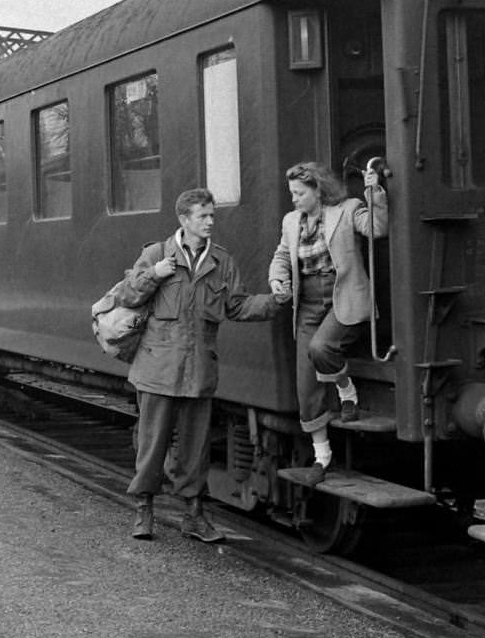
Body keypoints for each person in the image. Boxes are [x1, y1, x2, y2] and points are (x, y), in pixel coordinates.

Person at [112, 188, 284, 543]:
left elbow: (237, 306)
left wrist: (276, 302)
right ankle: (144, 512)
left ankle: (194, 516)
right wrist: (154, 274)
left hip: (198, 372)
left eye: (211, 216)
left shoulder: (222, 262)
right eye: (203, 216)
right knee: (152, 445)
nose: (210, 222)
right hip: (157, 370)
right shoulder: (156, 254)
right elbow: (127, 296)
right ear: (184, 219)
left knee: (195, 449)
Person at [268, 161, 388, 484]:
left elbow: (378, 228)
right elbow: (281, 256)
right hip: (306, 302)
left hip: (342, 296)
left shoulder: (348, 210)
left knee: (321, 348)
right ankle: (323, 458)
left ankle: (347, 392)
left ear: (317, 190)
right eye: (291, 193)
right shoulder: (291, 222)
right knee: (306, 385)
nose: (293, 199)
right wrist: (278, 279)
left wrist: (374, 190)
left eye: (298, 193)